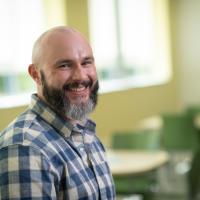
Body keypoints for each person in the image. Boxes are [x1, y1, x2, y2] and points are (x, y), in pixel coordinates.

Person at [0, 26, 116, 200]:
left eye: (86, 63)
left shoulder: (84, 131)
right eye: (64, 65)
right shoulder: (26, 149)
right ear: (36, 75)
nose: (81, 76)